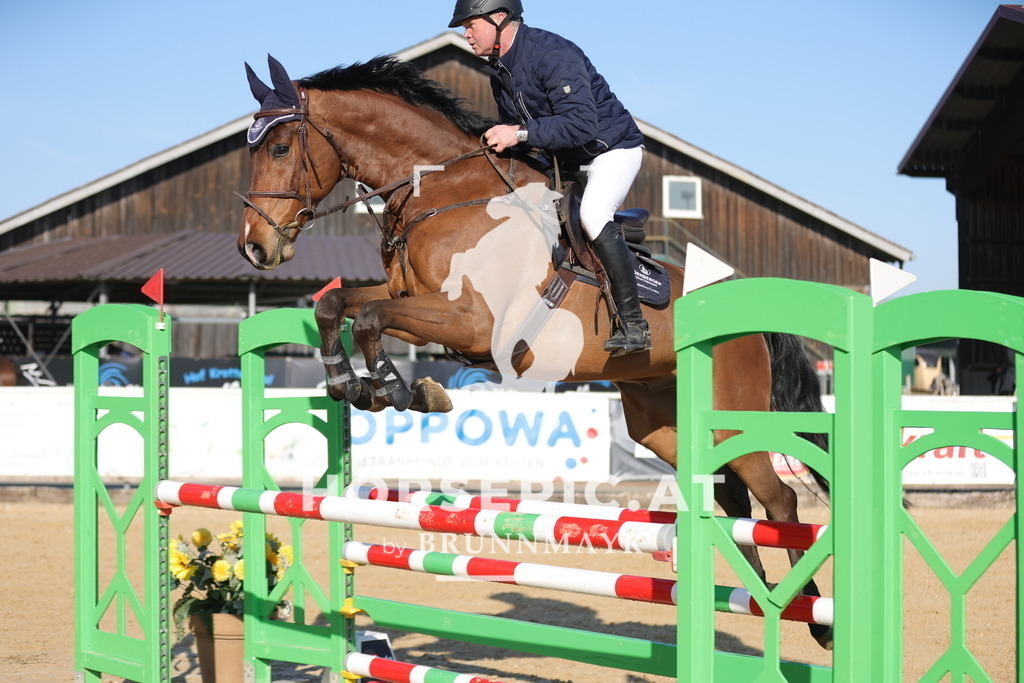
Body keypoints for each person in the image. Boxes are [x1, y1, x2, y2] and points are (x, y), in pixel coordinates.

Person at [449, 0, 651, 356]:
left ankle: (635, 325)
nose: (466, 34)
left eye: (470, 25)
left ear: (499, 18)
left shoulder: (553, 53)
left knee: (593, 216)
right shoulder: (500, 70)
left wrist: (518, 134)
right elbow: (522, 133)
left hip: (610, 151)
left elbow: (581, 126)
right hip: (565, 159)